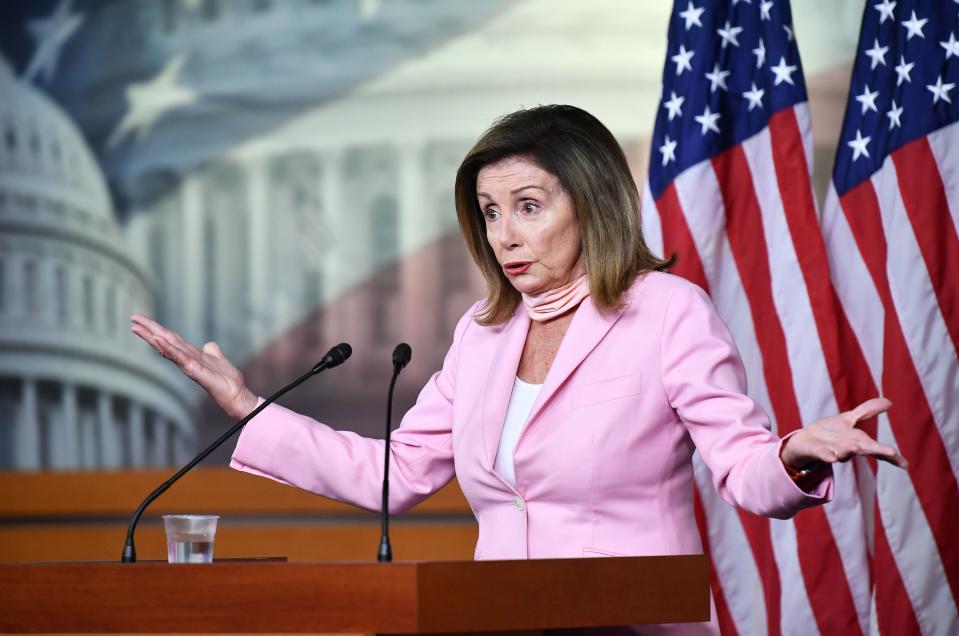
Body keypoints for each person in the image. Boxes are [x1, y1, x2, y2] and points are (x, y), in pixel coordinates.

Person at [131, 105, 907, 635]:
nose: (505, 234)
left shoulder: (666, 311)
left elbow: (742, 468)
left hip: (626, 626)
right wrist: (246, 405)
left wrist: (793, 456)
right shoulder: (483, 332)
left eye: (529, 205)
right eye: (490, 211)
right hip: (495, 620)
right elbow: (393, 474)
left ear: (592, 202)